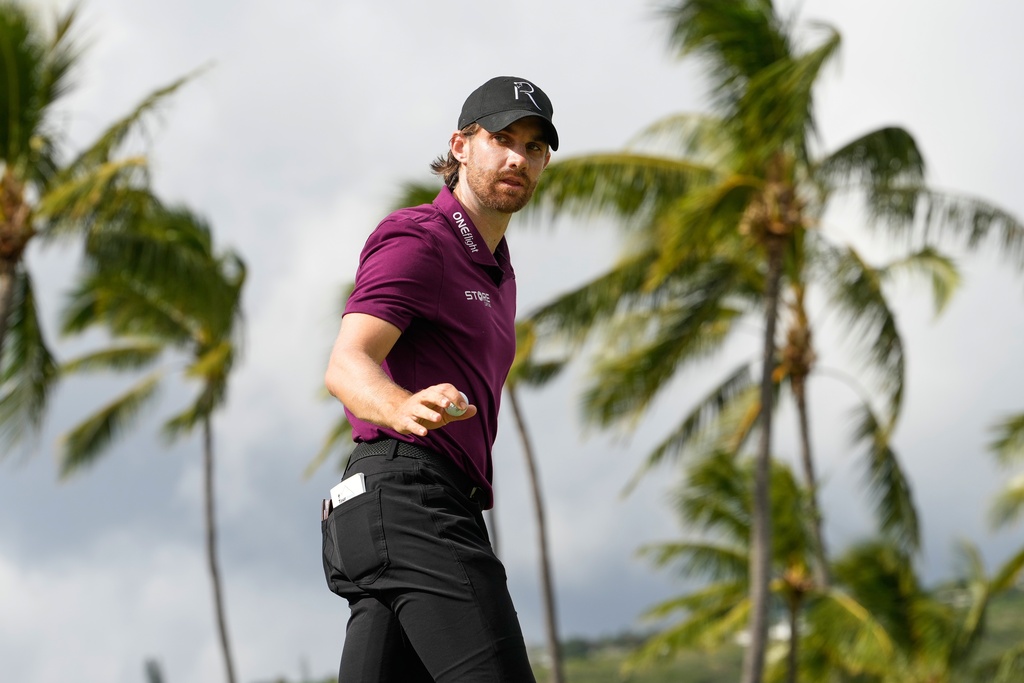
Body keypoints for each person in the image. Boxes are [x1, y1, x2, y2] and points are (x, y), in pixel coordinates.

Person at [321, 76, 558, 683]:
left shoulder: (499, 271)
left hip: (391, 511)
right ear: (460, 145)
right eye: (502, 139)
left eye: (534, 148)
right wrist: (400, 406)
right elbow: (347, 363)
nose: (518, 159)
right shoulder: (420, 239)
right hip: (410, 496)